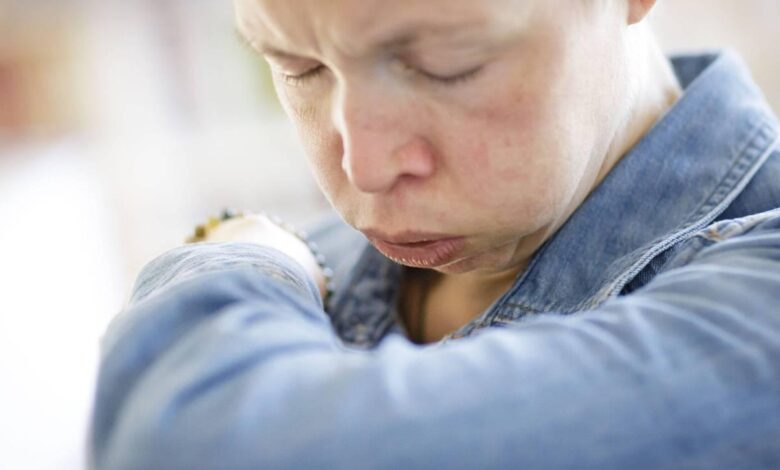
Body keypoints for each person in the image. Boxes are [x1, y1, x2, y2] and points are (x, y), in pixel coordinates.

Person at [90, 0, 780, 468]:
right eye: (299, 68)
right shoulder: (307, 271)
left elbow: (187, 445)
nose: (365, 167)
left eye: (447, 63)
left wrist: (227, 258)